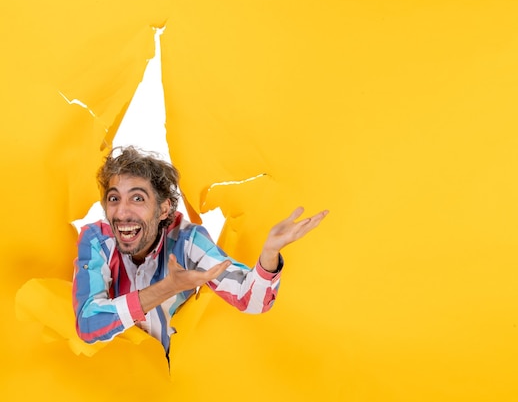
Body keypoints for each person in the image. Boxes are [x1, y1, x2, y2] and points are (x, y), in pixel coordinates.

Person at [72, 146, 328, 357]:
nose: (122, 212)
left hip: (172, 381)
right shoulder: (97, 239)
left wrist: (270, 254)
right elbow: (88, 323)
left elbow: (250, 299)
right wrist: (168, 287)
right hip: (108, 379)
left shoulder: (186, 240)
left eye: (137, 198)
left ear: (163, 210)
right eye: (114, 198)